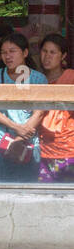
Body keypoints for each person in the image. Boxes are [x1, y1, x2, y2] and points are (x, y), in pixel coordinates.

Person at [0, 32, 47, 182]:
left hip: (28, 143)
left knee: (26, 194)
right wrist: (16, 127)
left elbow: (40, 112)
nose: (7, 56)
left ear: (25, 52)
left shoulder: (38, 78)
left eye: (12, 51)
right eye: (4, 52)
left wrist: (21, 136)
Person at [36, 33, 74, 181]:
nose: (47, 56)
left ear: (63, 55)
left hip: (69, 150)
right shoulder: (37, 79)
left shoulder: (70, 76)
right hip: (43, 150)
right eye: (44, 51)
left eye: (53, 52)